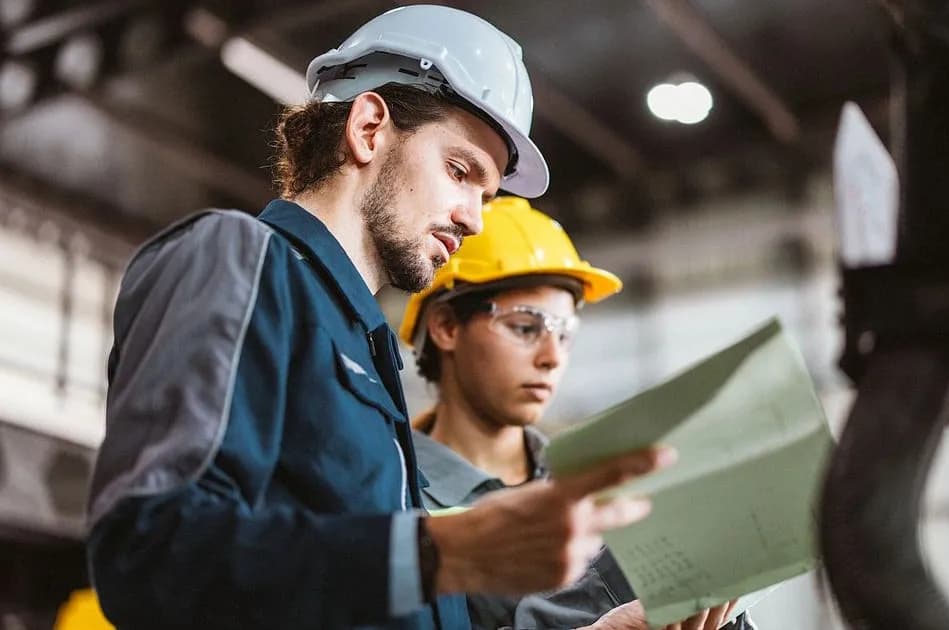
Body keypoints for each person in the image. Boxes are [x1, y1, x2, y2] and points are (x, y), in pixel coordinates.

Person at [83, 6, 672, 630]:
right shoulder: (239, 259)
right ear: (368, 128)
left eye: (487, 194)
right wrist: (451, 551)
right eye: (460, 170)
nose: (474, 217)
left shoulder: (367, 348)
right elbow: (152, 556)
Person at [398, 197, 750, 630]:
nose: (552, 357)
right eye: (526, 327)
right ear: (447, 327)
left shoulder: (602, 482)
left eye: (565, 334)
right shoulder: (393, 500)